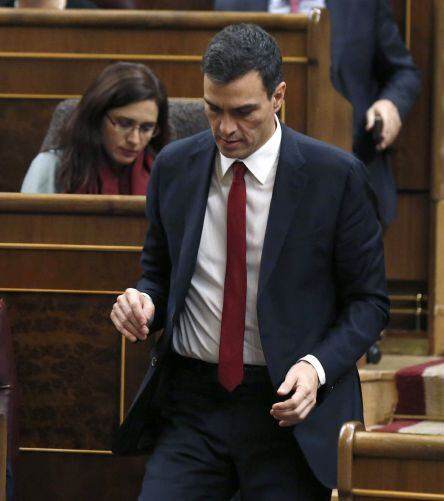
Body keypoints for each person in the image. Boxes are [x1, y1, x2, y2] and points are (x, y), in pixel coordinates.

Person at [109, 23, 388, 499]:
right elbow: (157, 274)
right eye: (212, 110)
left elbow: (369, 303)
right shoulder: (174, 167)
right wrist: (142, 303)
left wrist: (316, 368)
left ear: (278, 96)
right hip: (193, 403)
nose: (225, 128)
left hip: (286, 408)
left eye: (243, 112)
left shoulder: (335, 178)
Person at [214, 0, 421, 227]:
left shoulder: (364, 5)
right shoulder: (231, 3)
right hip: (247, 182)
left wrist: (390, 104)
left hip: (349, 174)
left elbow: (403, 72)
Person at [20, 62, 169, 195]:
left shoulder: (165, 174)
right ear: (96, 117)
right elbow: (29, 226)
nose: (134, 140)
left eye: (146, 128)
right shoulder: (50, 167)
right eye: (124, 124)